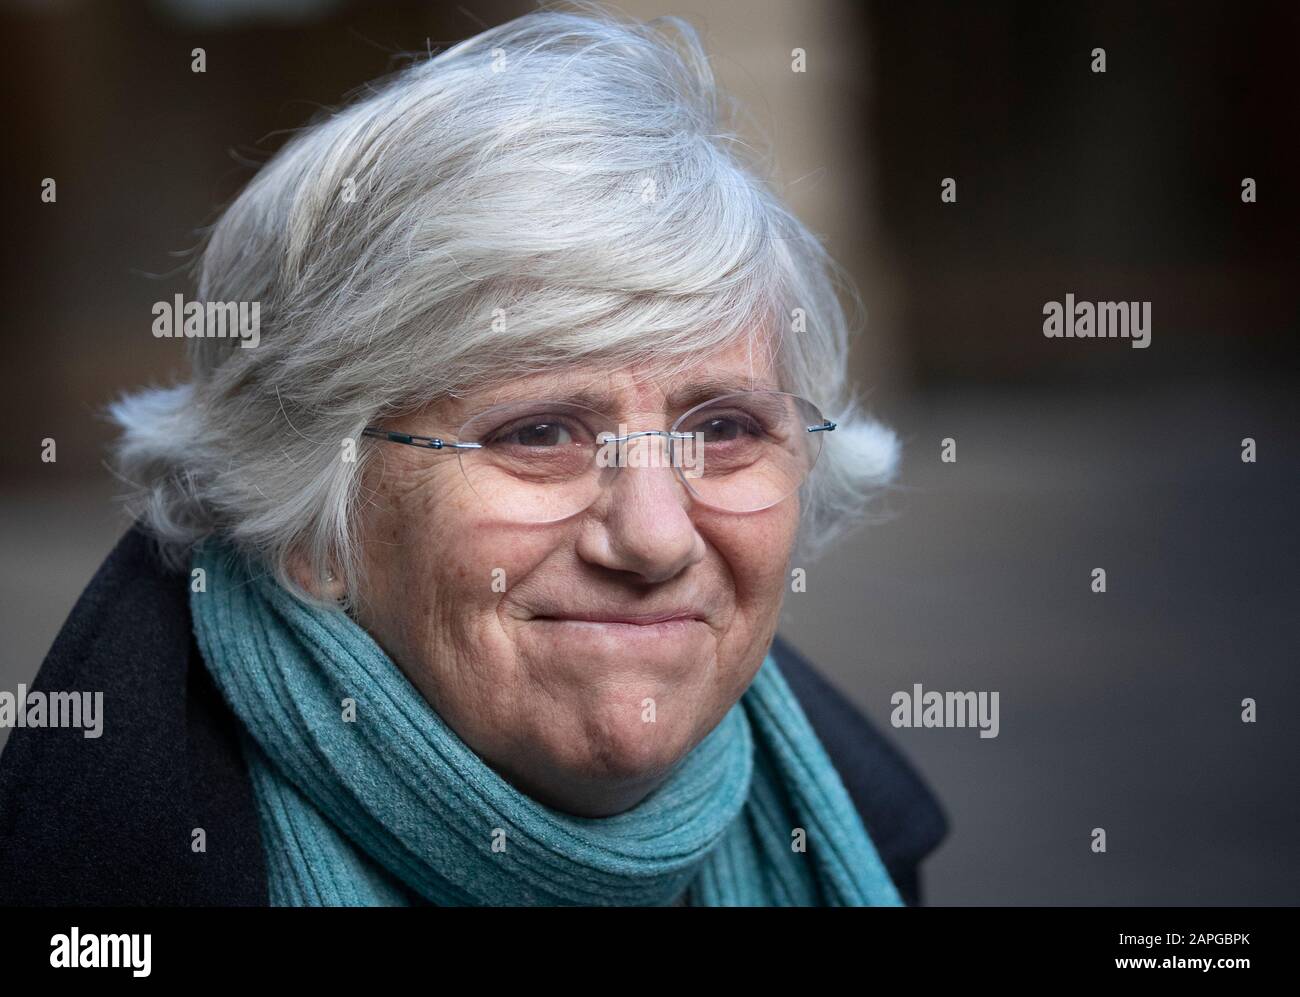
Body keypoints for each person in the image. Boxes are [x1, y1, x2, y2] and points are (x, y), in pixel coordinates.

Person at [0, 5, 946, 906]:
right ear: (310, 519)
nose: (655, 539)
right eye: (538, 433)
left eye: (724, 430)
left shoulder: (853, 842)